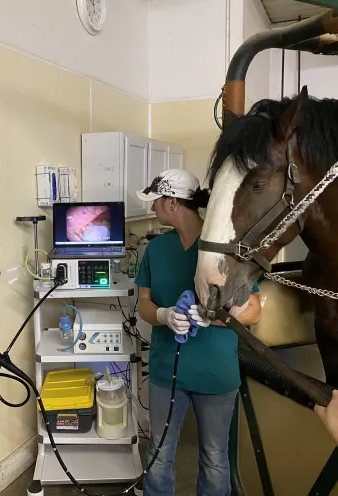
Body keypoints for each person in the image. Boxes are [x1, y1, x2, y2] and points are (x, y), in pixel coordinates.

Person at [135, 169, 262, 496]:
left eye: (157, 202)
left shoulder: (226, 248)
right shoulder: (156, 250)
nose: (153, 209)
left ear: (172, 202)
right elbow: (144, 306)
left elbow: (255, 311)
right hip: (167, 373)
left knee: (215, 458)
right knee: (159, 455)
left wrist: (218, 317)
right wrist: (164, 315)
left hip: (216, 375)